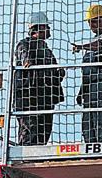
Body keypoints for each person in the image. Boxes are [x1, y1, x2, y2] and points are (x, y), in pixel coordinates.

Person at [13, 12, 65, 145]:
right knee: (30, 130)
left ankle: (37, 156)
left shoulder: (45, 49)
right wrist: (27, 62)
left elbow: (56, 72)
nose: (48, 29)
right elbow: (25, 60)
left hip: (45, 97)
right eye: (46, 26)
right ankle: (25, 158)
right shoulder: (24, 44)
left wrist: (58, 73)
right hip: (28, 98)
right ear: (39, 28)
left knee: (44, 132)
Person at [73, 3, 102, 143]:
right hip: (89, 88)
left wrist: (82, 47)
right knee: (88, 124)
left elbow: (101, 45)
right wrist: (81, 91)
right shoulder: (93, 41)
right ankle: (90, 150)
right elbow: (87, 71)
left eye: (94, 21)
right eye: (90, 22)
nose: (91, 25)